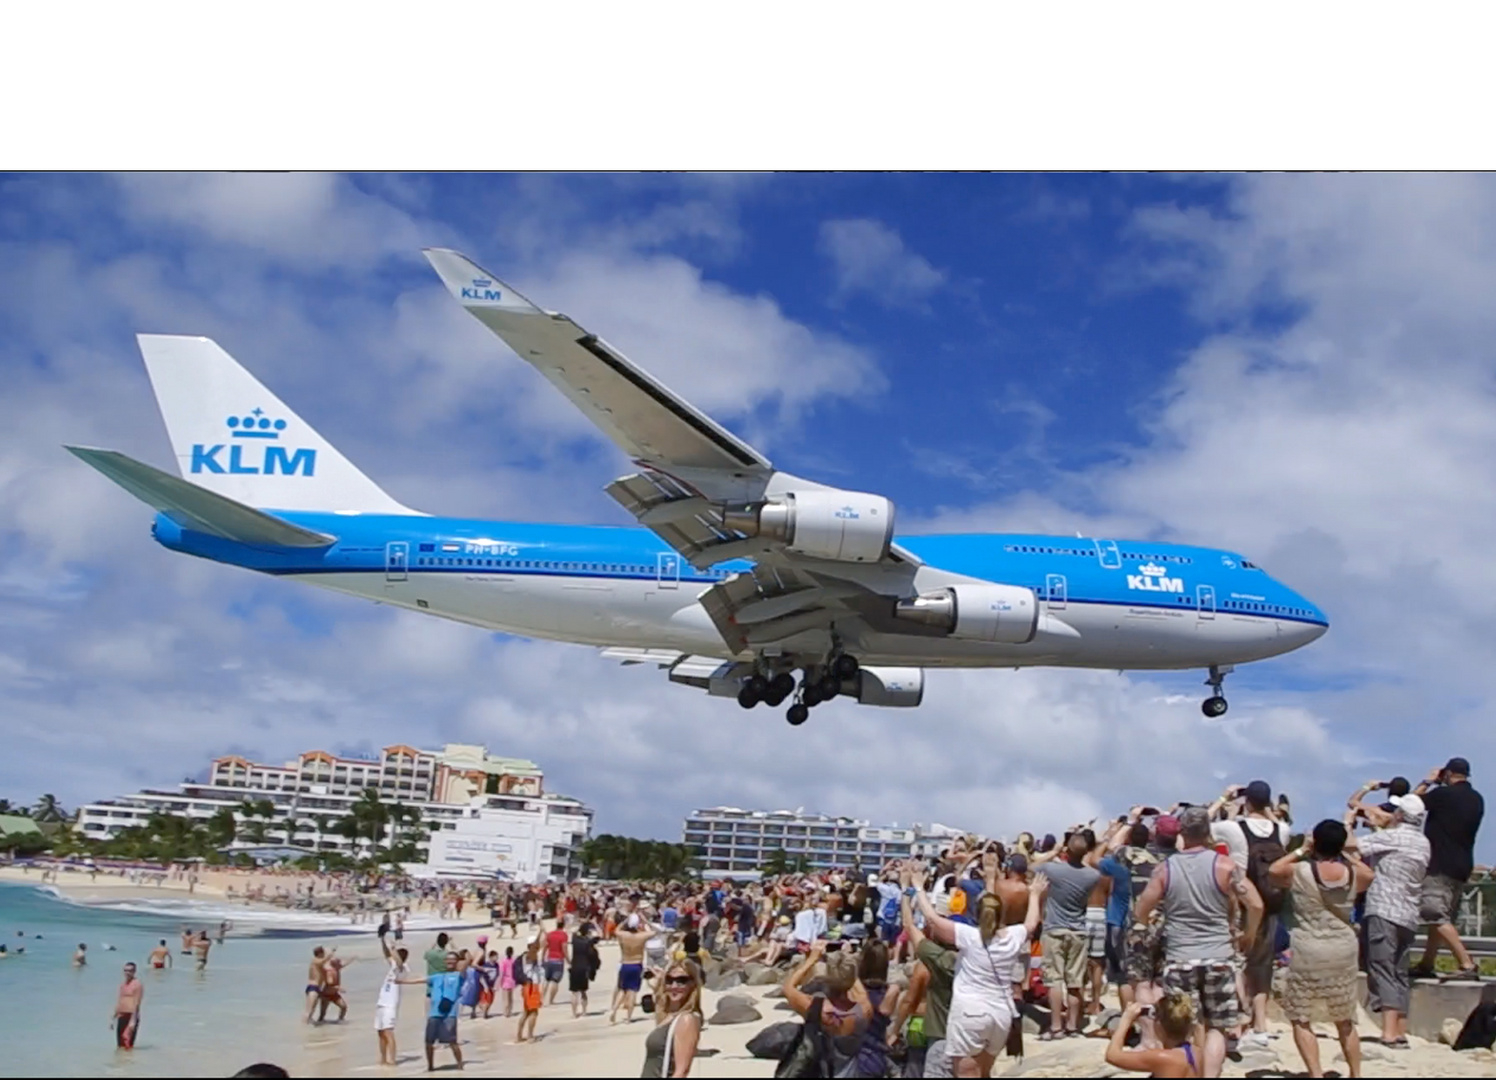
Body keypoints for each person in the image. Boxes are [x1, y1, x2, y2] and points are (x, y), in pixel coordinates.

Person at [1134, 806, 1262, 1079]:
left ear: (1182, 832)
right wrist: (1248, 934)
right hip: (1218, 955)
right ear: (1208, 832)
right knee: (1217, 1026)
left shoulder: (1165, 869)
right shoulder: (1226, 866)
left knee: (1186, 1025)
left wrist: (1150, 927)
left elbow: (1141, 910)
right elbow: (1256, 905)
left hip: (1180, 955)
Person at [913, 853, 1045, 1077]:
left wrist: (918, 887)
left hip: (970, 1013)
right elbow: (1031, 923)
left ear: (976, 913)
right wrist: (1034, 895)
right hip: (1001, 1015)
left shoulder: (969, 936)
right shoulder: (1012, 936)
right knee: (984, 1073)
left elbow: (933, 918)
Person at [1268, 820, 1373, 1079]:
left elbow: (1273, 870)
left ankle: (1315, 1073)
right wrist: (1346, 853)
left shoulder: (1300, 871)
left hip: (1308, 946)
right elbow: (1369, 876)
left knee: (1301, 1016)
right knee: (1345, 1018)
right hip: (1343, 947)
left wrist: (1303, 849)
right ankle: (1355, 1073)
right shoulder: (1353, 874)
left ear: (1315, 841)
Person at [1208, 780, 1288, 1050]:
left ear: (1246, 801)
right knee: (1263, 966)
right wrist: (1269, 811)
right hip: (1272, 902)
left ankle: (1238, 1024)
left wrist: (1223, 798)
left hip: (1242, 902)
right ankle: (1261, 1026)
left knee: (1238, 963)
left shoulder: (1232, 828)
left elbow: (1198, 825)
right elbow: (1274, 823)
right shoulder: (1283, 830)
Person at [1345, 791, 1429, 1049]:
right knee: (1399, 971)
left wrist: (1349, 823)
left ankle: (1389, 1032)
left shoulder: (1392, 836)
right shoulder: (1423, 842)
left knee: (1382, 967)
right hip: (1409, 913)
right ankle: (1400, 1030)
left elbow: (1352, 846)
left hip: (1384, 908)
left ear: (1400, 815)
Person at [1413, 757, 1485, 980]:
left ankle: (1466, 964)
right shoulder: (1477, 799)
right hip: (1463, 865)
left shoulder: (1442, 795)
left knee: (1433, 913)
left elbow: (1410, 804)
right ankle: (1427, 962)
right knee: (1442, 917)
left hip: (1440, 863)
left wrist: (1428, 781)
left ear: (1448, 774)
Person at [1033, 832, 1102, 1039]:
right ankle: (1072, 1026)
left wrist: (1053, 852)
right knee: (1074, 982)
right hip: (1078, 930)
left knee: (1054, 980)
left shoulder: (1052, 870)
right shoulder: (1093, 876)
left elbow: (1030, 866)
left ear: (1066, 849)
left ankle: (1056, 1026)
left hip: (1054, 929)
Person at [1103, 994, 1203, 1078]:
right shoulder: (1196, 1052)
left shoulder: (1162, 1058)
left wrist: (1126, 1019)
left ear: (1158, 1023)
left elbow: (1112, 1056)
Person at [641, 960, 704, 1078]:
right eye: (670, 980)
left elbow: (681, 1071)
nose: (674, 986)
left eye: (682, 981)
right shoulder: (668, 1015)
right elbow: (660, 999)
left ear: (692, 984)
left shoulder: (687, 1020)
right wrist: (660, 979)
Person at [412, 952, 465, 1071]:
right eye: (448, 959)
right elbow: (420, 980)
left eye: (453, 960)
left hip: (449, 1014)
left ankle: (460, 1064)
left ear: (457, 962)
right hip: (434, 1014)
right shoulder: (437, 976)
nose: (450, 962)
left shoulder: (458, 976)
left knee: (452, 1042)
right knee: (428, 1042)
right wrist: (401, 981)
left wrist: (458, 955)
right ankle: (430, 1066)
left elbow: (468, 960)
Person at [375, 935, 410, 1066]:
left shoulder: (403, 969)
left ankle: (393, 1059)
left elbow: (398, 961)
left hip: (390, 1004)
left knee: (388, 1031)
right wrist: (382, 940)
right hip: (381, 1003)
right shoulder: (393, 967)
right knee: (380, 1031)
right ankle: (383, 1058)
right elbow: (386, 955)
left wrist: (393, 948)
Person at [611, 914, 652, 1024]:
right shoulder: (641, 936)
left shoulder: (623, 935)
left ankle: (614, 1010)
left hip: (625, 963)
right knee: (633, 992)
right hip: (636, 964)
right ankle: (628, 1018)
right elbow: (655, 932)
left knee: (623, 991)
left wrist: (625, 920)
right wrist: (645, 921)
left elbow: (616, 930)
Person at [515, 938, 546, 1043]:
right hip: (531, 987)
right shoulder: (529, 956)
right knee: (534, 1012)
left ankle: (519, 1036)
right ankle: (530, 1036)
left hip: (527, 986)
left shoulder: (526, 956)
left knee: (526, 1012)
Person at [112, 961, 143, 1049]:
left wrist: (133, 1020)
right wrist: (113, 1017)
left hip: (131, 1016)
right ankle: (121, 1061)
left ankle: (129, 1061)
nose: (127, 973)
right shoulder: (123, 985)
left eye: (130, 971)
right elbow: (120, 1000)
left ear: (134, 971)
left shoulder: (137, 984)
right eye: (125, 971)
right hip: (121, 1015)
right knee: (120, 1044)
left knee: (127, 1043)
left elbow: (137, 1002)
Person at [571, 923, 599, 1018]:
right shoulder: (588, 942)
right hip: (585, 967)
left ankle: (574, 1013)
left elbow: (573, 932)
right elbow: (599, 936)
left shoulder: (574, 940)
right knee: (583, 992)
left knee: (574, 992)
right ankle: (584, 1011)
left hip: (575, 966)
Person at [318, 953, 355, 1023]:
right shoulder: (330, 971)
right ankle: (319, 1028)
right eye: (338, 962)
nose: (340, 963)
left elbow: (345, 963)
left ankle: (340, 1020)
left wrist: (352, 958)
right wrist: (338, 988)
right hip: (326, 995)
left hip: (334, 994)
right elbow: (329, 983)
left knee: (344, 1007)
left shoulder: (337, 968)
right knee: (322, 1014)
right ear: (333, 963)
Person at [543, 918, 570, 1005]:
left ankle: (541, 998)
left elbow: (545, 946)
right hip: (558, 960)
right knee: (555, 981)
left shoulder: (550, 934)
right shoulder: (563, 935)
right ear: (564, 925)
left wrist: (543, 957)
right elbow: (564, 948)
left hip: (549, 959)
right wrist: (568, 960)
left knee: (546, 980)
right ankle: (550, 1000)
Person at [305, 946, 333, 1023]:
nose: (324, 954)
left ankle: (308, 1028)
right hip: (312, 987)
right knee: (309, 1010)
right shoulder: (315, 961)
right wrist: (330, 954)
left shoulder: (319, 964)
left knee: (312, 1010)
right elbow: (322, 961)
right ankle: (303, 1028)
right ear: (320, 953)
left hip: (317, 988)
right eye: (323, 952)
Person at [499, 945, 518, 1018]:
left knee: (505, 998)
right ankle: (509, 1011)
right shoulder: (513, 961)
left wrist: (500, 982)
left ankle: (505, 1012)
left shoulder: (503, 961)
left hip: (505, 980)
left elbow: (501, 973)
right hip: (512, 980)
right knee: (510, 997)